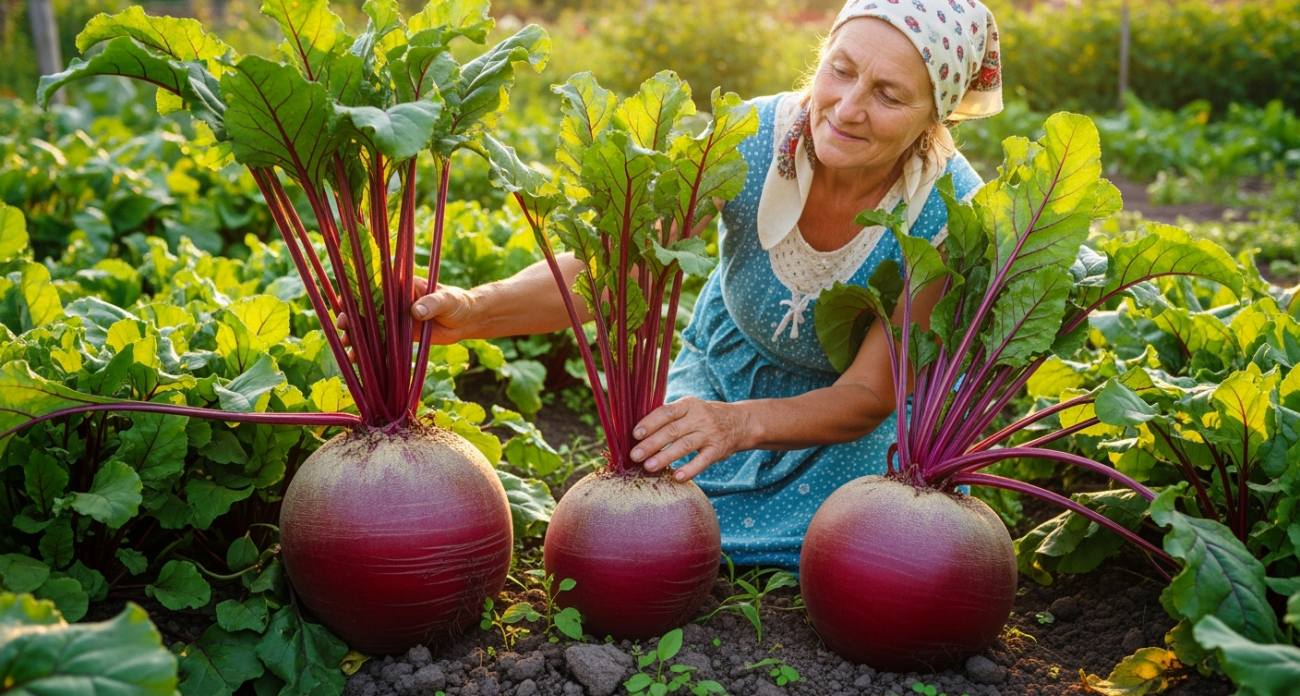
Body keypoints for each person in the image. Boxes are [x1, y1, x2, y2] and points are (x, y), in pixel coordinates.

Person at [344, 0, 1004, 569]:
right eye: (842, 69)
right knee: (659, 503)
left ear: (936, 116)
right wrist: (474, 309)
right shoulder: (749, 140)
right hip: (726, 374)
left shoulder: (948, 210)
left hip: (847, 422)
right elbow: (616, 269)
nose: (849, 108)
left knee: (866, 538)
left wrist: (740, 426)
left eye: (889, 95)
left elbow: (868, 393)